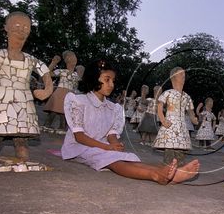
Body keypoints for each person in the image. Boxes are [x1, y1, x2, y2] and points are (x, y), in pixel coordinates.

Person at [61, 59, 199, 184]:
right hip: (80, 147)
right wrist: (107, 148)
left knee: (126, 157)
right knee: (113, 161)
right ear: (93, 79)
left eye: (113, 81)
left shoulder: (112, 108)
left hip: (101, 146)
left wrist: (114, 144)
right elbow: (79, 137)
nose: (111, 84)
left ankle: (171, 173)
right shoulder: (78, 101)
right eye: (107, 79)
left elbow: (111, 134)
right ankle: (155, 175)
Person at [0, 11, 53, 163]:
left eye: (26, 27)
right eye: (17, 26)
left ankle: (20, 157)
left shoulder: (30, 59)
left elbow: (46, 72)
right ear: (6, 28)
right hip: (0, 103)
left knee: (22, 147)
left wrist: (47, 90)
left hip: (23, 105)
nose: (21, 30)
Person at [153, 67, 198, 165]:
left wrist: (194, 119)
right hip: (170, 124)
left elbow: (190, 111)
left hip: (182, 125)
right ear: (173, 77)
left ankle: (179, 166)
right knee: (170, 146)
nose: (183, 76)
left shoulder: (187, 96)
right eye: (180, 74)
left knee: (181, 146)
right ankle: (168, 166)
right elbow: (159, 108)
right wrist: (163, 120)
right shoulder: (168, 93)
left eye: (184, 75)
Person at [43, 51, 81, 133]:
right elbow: (49, 74)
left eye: (74, 57)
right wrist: (53, 63)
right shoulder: (62, 71)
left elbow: (79, 83)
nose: (74, 60)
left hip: (70, 94)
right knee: (54, 108)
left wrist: (81, 72)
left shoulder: (75, 75)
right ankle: (47, 125)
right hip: (60, 91)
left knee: (65, 111)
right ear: (66, 60)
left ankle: (62, 127)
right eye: (70, 57)